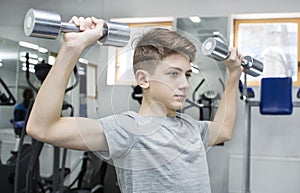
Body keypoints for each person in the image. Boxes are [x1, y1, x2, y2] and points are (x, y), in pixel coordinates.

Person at [26, 16, 243, 193]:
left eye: (187, 74)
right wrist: (72, 48)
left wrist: (233, 75)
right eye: (173, 74)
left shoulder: (191, 127)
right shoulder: (127, 129)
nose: (185, 84)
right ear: (143, 79)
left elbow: (223, 130)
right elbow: (43, 128)